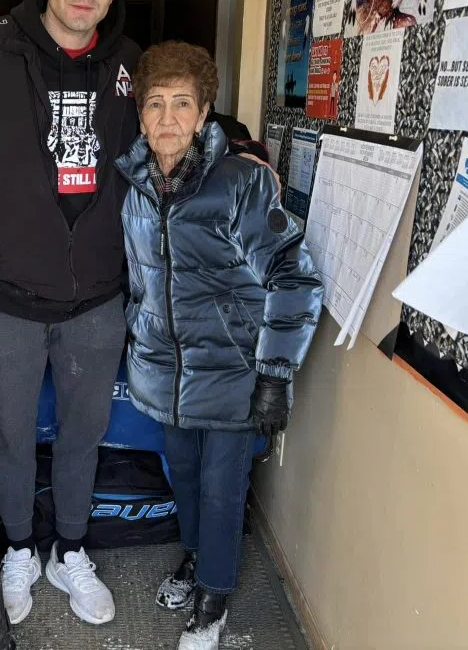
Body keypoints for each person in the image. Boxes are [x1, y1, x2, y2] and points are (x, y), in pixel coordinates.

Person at [0, 0, 273, 627]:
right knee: (15, 434)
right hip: (4, 291)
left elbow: (173, 129)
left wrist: (234, 153)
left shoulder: (130, 63)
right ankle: (21, 548)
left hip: (96, 297)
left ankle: (70, 551)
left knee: (84, 434)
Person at [115, 41, 323, 650]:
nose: (168, 119)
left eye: (183, 104)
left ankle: (214, 601)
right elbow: (139, 276)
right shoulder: (136, 187)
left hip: (233, 369)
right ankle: (198, 556)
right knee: (180, 473)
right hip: (164, 369)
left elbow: (294, 274)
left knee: (222, 485)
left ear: (205, 114)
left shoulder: (241, 184)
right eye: (155, 104)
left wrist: (276, 373)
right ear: (141, 115)